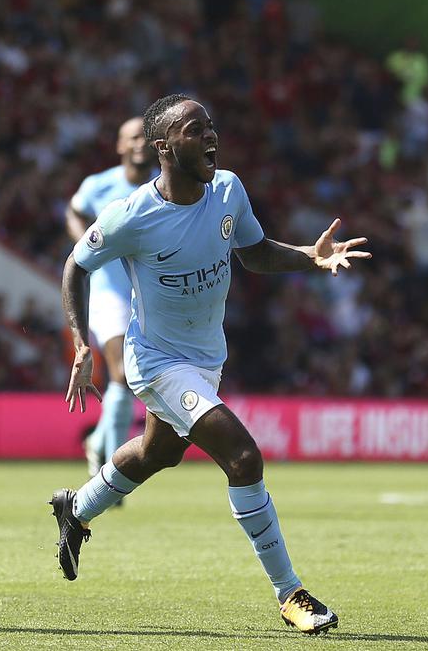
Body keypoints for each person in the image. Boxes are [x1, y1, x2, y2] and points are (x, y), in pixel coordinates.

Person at [51, 94, 368, 635]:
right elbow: (75, 267)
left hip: (205, 358)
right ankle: (290, 593)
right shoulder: (133, 216)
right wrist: (81, 343)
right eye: (195, 130)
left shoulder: (228, 190)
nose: (210, 137)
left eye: (211, 127)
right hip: (156, 360)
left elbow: (255, 251)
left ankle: (75, 508)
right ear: (164, 147)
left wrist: (309, 258)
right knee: (243, 458)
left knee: (157, 453)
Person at [65, 117, 156, 476]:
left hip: (148, 297)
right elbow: (73, 210)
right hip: (108, 293)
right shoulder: (98, 185)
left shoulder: (161, 189)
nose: (140, 144)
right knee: (121, 374)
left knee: (135, 380)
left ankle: (98, 443)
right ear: (120, 145)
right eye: (133, 137)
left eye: (146, 138)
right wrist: (84, 245)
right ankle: (111, 469)